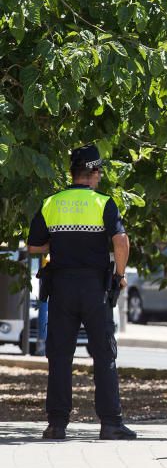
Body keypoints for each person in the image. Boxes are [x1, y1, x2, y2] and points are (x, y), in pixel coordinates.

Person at [26, 144, 136, 440]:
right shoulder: (103, 202)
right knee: (103, 354)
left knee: (60, 356)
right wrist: (120, 275)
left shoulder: (52, 202)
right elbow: (121, 241)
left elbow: (34, 246)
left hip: (61, 286)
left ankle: (57, 424)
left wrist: (61, 244)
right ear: (95, 172)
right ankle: (111, 423)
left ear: (72, 173)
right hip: (95, 288)